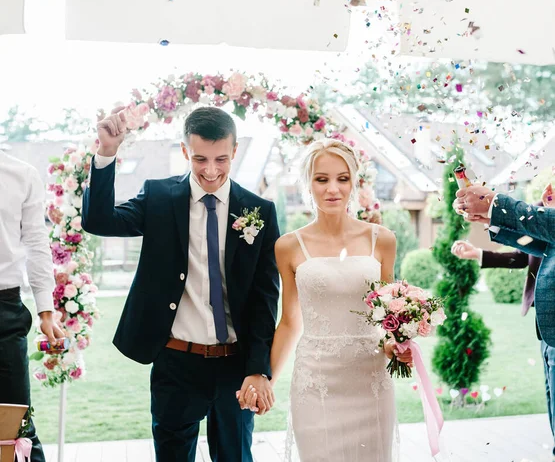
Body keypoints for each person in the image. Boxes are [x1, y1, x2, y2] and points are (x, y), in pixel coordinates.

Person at [81, 106, 280, 462]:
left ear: (235, 151)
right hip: (175, 362)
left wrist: (258, 368)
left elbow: (265, 298)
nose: (211, 170)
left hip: (235, 365)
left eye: (221, 159)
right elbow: (99, 220)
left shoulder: (259, 211)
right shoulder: (159, 198)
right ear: (185, 151)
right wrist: (107, 151)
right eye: (200, 158)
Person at [240, 139, 411, 461]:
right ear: (308, 183)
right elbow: (290, 322)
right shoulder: (288, 246)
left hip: (369, 380)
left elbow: (388, 315)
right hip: (316, 382)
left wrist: (395, 345)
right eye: (322, 179)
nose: (333, 188)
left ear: (354, 182)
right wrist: (266, 378)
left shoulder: (382, 240)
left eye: (342, 179)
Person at [455, 181, 555, 461]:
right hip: (547, 331)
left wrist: (492, 204)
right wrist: (490, 222)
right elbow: (530, 245)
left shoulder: (543, 215)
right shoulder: (543, 210)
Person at [0, 150, 63, 461]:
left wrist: (45, 311)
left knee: (16, 426)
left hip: (4, 311)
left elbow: (37, 243)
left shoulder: (21, 174)